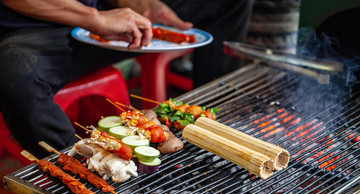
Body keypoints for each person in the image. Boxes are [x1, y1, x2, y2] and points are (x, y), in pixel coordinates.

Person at [0, 0, 253, 158]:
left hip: (103, 15)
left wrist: (133, 1)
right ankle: (87, 168)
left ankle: (214, 125)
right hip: (28, 31)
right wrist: (94, 18)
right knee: (15, 74)